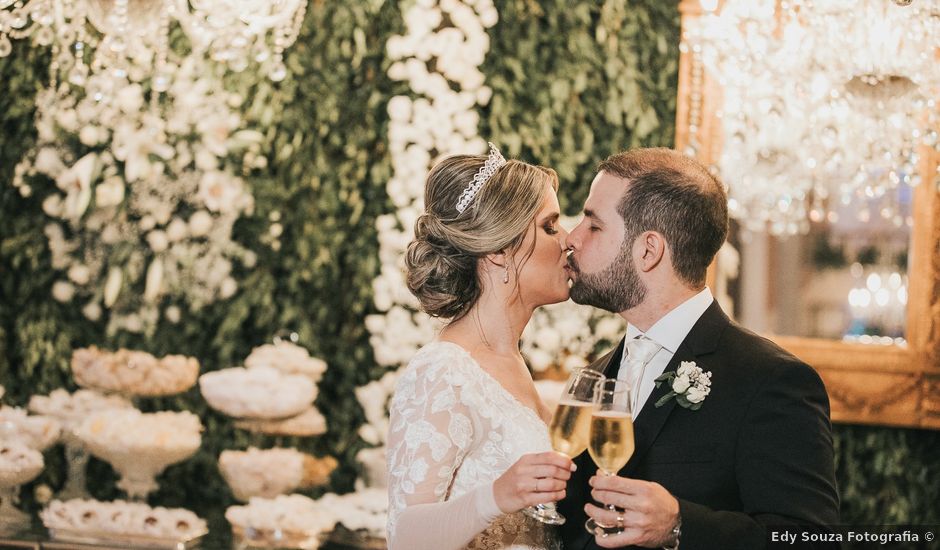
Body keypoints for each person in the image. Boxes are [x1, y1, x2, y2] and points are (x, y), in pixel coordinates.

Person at [557, 148, 840, 549]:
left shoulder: (770, 381)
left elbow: (812, 540)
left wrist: (679, 525)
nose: (572, 237)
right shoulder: (598, 374)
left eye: (594, 225)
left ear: (648, 251)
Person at [386, 143, 576, 550]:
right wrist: (497, 496)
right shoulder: (442, 371)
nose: (568, 240)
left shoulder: (512, 361)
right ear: (498, 253)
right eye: (550, 226)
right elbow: (405, 538)